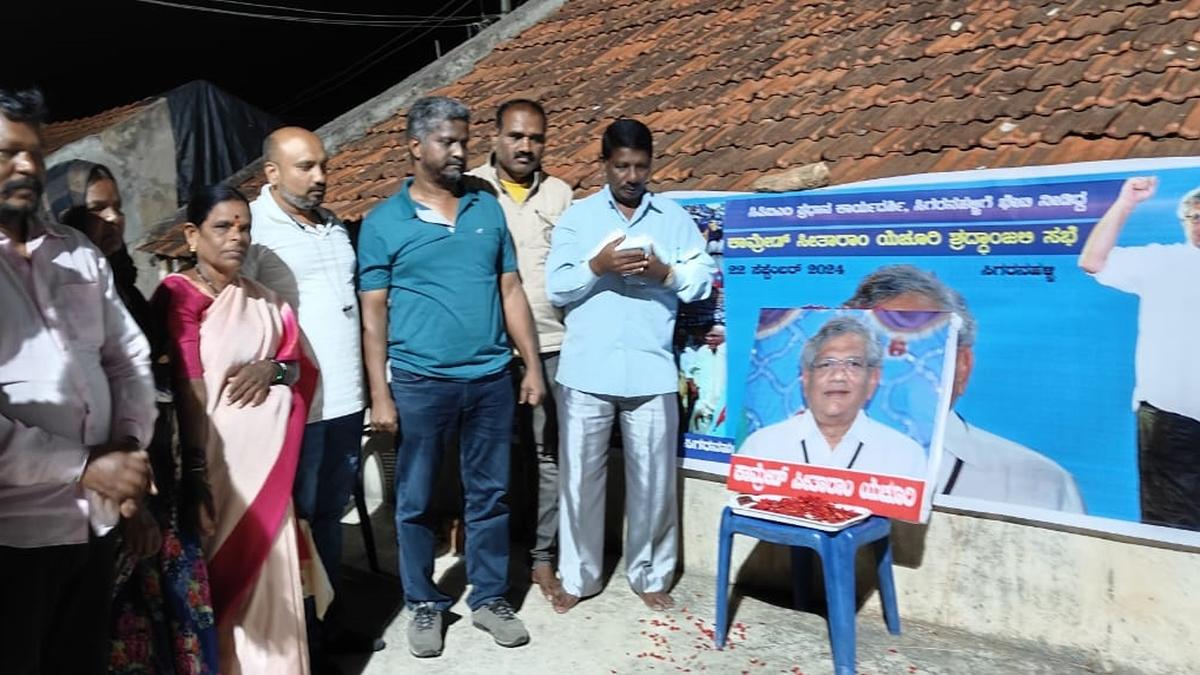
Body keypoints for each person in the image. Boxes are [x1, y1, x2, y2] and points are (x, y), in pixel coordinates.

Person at [358, 96, 544, 658]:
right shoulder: (383, 223)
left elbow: (510, 290)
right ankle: (422, 602)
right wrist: (380, 395)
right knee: (415, 500)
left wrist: (531, 363)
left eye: (464, 140)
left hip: (490, 378)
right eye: (448, 141)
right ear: (415, 147)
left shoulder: (486, 208)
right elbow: (373, 317)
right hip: (419, 382)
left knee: (490, 494)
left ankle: (488, 598)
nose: (461, 151)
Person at [0, 87, 157, 675]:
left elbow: (129, 358)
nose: (26, 167)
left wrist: (128, 449)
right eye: (8, 152)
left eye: (35, 153)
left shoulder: (80, 255)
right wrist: (84, 464)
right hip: (13, 539)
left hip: (94, 523)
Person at [45, 159, 220, 673]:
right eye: (97, 208)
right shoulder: (55, 303)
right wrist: (130, 506)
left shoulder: (120, 287)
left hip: (153, 475)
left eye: (117, 206)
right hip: (109, 497)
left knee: (175, 617)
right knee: (122, 630)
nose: (114, 218)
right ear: (64, 216)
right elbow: (83, 409)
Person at [546, 118, 716, 614]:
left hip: (651, 368)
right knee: (580, 478)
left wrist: (668, 274)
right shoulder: (579, 219)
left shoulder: (672, 218)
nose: (632, 175)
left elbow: (703, 277)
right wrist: (597, 268)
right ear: (605, 164)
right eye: (622, 166)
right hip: (586, 369)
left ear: (651, 165)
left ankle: (651, 574)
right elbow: (556, 288)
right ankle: (578, 576)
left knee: (654, 480)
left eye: (641, 166)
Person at [153, 185, 319, 674]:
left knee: (270, 582)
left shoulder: (265, 301)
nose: (237, 237)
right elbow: (187, 383)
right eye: (223, 227)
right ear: (192, 235)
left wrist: (273, 370)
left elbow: (301, 370)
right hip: (214, 471)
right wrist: (197, 472)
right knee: (218, 588)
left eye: (244, 227)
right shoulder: (177, 295)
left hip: (268, 474)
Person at [244, 127, 383, 657]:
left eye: (323, 165)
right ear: (272, 173)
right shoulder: (254, 228)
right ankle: (296, 633)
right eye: (306, 167)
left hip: (345, 398)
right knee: (294, 522)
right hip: (296, 404)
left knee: (329, 515)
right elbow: (237, 306)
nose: (321, 177)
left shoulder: (331, 226)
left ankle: (327, 620)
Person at [845, 264, 1084, 513]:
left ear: (962, 366)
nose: (892, 369)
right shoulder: (810, 453)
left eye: (911, 347)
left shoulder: (1040, 483)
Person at [467, 99, 573, 602]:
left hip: (551, 346)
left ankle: (542, 558)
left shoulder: (561, 194)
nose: (526, 146)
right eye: (516, 136)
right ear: (495, 137)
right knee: (486, 458)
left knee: (548, 454)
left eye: (535, 138)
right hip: (486, 350)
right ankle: (485, 559)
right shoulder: (469, 189)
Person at [1080, 176, 1200, 529]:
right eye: (1194, 216)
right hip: (1170, 418)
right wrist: (1126, 203)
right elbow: (1093, 261)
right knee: (1173, 529)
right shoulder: (1164, 261)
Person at [738, 316, 927, 479]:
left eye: (853, 364)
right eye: (826, 364)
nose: (838, 376)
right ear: (806, 378)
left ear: (873, 379)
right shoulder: (761, 447)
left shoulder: (906, 456)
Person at [681, 323, 727, 436]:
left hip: (722, 404)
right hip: (703, 403)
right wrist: (693, 386)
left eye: (714, 336)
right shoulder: (703, 351)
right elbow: (690, 371)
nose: (709, 339)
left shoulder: (729, 353)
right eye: (708, 336)